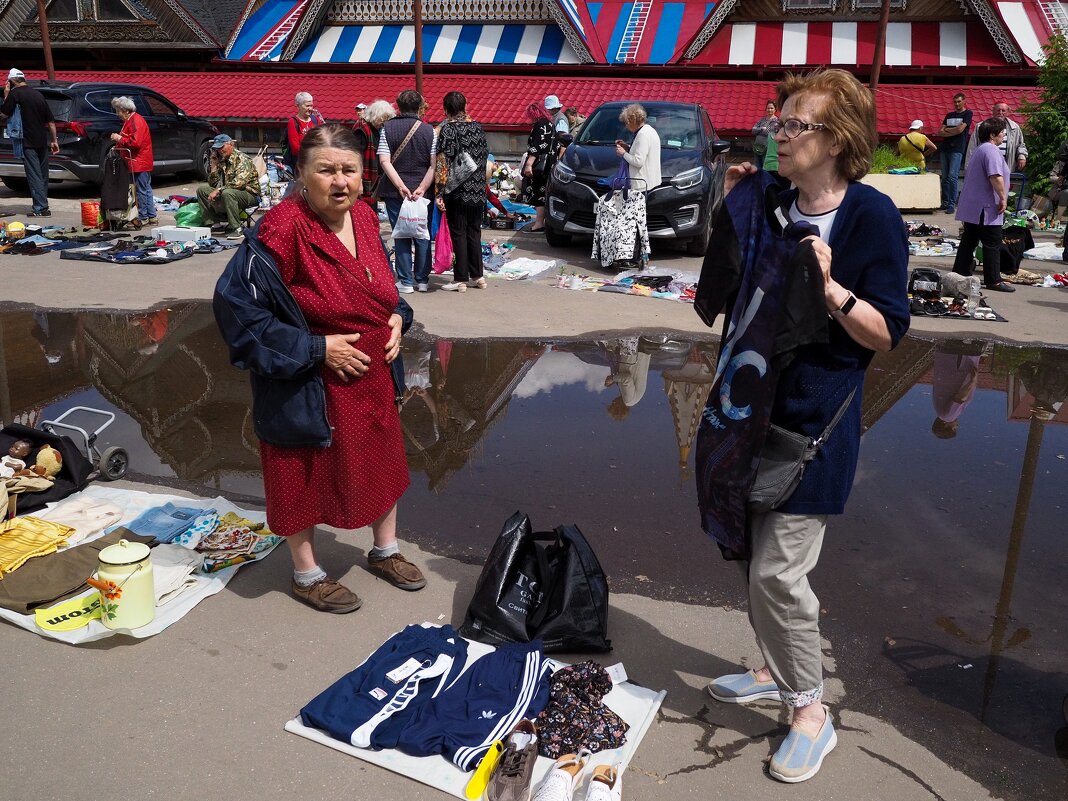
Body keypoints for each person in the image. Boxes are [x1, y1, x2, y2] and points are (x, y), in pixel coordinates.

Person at [697, 69, 909, 783]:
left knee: (779, 576)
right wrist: (732, 210)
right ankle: (774, 665)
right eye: (777, 123)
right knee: (748, 555)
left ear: (837, 140)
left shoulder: (869, 216)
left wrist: (830, 289)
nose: (777, 135)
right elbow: (722, 289)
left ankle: (810, 712)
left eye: (794, 126)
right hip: (746, 413)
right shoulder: (770, 200)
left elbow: (886, 333)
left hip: (815, 424)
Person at [213, 124, 425, 613]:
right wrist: (314, 349)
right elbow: (236, 308)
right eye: (326, 170)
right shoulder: (283, 226)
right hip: (308, 379)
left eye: (349, 170)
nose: (340, 181)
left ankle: (385, 551)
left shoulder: (368, 218)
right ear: (302, 175)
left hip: (373, 372)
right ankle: (306, 575)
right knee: (300, 473)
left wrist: (399, 318)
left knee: (382, 461)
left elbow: (385, 290)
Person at [378, 90, 436, 294]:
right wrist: (422, 187)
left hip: (395, 192)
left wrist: (400, 185)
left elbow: (384, 161)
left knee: (401, 233)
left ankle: (405, 280)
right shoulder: (430, 131)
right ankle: (422, 279)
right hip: (423, 192)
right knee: (422, 234)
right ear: (419, 106)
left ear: (398, 106)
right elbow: (434, 165)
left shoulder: (387, 128)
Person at [952, 117, 1015, 293]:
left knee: (969, 239)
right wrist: (1003, 197)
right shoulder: (991, 150)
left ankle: (960, 270)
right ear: (993, 134)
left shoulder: (980, 150)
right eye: (1002, 132)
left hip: (974, 205)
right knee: (992, 242)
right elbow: (995, 176)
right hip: (985, 206)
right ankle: (993, 279)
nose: (1004, 135)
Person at [434, 91, 488, 293]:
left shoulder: (448, 130)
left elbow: (443, 163)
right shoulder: (477, 127)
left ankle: (460, 278)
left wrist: (439, 192)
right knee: (474, 232)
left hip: (457, 189)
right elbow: (484, 158)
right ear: (465, 106)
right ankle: (478, 276)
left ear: (445, 109)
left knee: (458, 233)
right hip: (477, 189)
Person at [0, 69, 59, 217]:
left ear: (12, 81)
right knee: (42, 174)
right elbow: (51, 122)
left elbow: (3, 113)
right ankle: (42, 205)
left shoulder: (15, 94)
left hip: (27, 141)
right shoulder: (38, 94)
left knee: (34, 175)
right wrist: (54, 140)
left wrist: (6, 94)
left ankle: (41, 208)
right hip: (42, 141)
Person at [196, 134, 260, 236]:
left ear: (231, 144)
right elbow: (214, 184)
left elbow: (239, 183)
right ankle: (214, 224)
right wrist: (214, 165)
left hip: (250, 194)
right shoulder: (222, 160)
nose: (220, 151)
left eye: (222, 147)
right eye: (217, 149)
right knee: (202, 190)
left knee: (227, 193)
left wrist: (219, 190)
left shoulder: (242, 159)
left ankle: (236, 228)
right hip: (228, 192)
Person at [109, 96, 157, 227]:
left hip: (139, 160)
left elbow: (135, 142)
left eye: (118, 111)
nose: (117, 114)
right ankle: (151, 216)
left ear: (125, 110)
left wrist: (119, 139)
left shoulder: (136, 121)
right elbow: (129, 138)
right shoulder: (131, 120)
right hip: (139, 160)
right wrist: (118, 147)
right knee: (145, 188)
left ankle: (143, 217)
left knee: (141, 189)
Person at [931, 343, 983, 439]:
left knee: (976, 337)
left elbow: (960, 398)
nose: (957, 426)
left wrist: (973, 380)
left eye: (954, 428)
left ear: (945, 425)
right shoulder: (939, 411)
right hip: (948, 358)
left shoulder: (948, 417)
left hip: (961, 362)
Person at [520, 101, 557, 232]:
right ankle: (544, 221)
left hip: (539, 165)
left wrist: (529, 164)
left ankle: (539, 223)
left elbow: (535, 147)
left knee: (538, 193)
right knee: (545, 192)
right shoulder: (550, 124)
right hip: (550, 163)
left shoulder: (539, 125)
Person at [352, 99, 394, 207]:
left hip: (372, 181)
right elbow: (355, 157)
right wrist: (358, 180)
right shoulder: (362, 129)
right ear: (376, 116)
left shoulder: (375, 128)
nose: (384, 123)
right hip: (364, 179)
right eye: (383, 119)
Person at [937, 92, 972, 214]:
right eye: (955, 102)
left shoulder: (968, 113)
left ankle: (952, 203)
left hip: (957, 149)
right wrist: (953, 131)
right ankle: (945, 202)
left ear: (964, 101)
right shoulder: (949, 115)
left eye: (959, 101)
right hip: (945, 149)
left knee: (953, 176)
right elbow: (940, 132)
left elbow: (960, 130)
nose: (957, 104)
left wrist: (947, 130)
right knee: (945, 177)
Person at [966, 102, 1026, 171]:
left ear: (1007, 112)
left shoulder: (1015, 128)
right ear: (993, 111)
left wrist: (1021, 156)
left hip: (1006, 166)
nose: (1000, 113)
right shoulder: (981, 126)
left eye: (1003, 110)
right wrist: (969, 168)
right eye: (998, 110)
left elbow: (1021, 145)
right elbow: (972, 148)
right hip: (985, 166)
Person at [615, 103, 661, 192]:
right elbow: (643, 151)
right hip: (650, 184)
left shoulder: (642, 134)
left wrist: (623, 153)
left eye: (626, 123)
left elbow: (638, 161)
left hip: (642, 186)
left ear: (632, 121)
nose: (626, 126)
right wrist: (627, 147)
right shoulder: (649, 130)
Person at [284, 92, 324, 171]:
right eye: (307, 106)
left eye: (311, 106)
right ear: (298, 106)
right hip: (302, 164)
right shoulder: (293, 122)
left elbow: (322, 139)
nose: (310, 108)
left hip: (317, 162)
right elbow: (295, 149)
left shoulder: (316, 120)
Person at [751, 100, 778, 167]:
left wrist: (759, 131)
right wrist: (761, 129)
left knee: (765, 166)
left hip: (768, 149)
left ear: (775, 109)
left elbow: (771, 133)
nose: (769, 110)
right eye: (768, 108)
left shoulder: (777, 121)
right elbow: (753, 130)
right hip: (758, 146)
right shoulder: (762, 120)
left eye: (771, 108)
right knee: (757, 166)